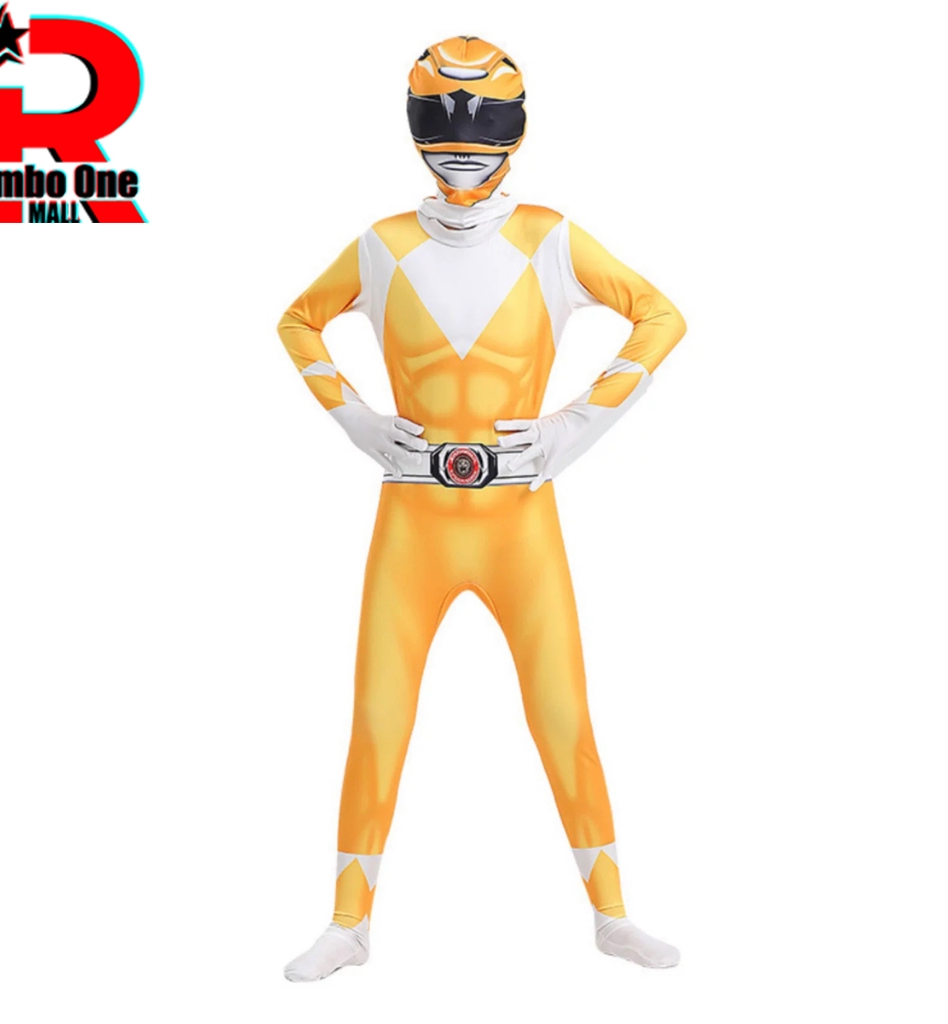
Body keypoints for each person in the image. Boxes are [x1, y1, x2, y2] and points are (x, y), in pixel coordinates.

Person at [277, 35, 687, 981]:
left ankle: (612, 914)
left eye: (484, 122)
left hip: (518, 517)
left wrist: (575, 427)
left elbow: (661, 315)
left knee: (563, 715)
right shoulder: (383, 244)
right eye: (441, 121)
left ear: (516, 127)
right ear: (416, 125)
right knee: (379, 718)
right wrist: (358, 422)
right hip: (414, 515)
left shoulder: (549, 238)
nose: (462, 145)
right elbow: (297, 320)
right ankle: (348, 922)